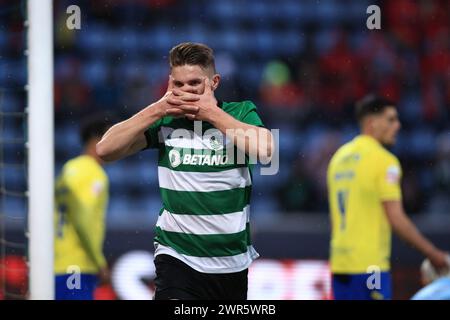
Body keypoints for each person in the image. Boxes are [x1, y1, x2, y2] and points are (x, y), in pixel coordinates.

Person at [96, 42, 273, 300]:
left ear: (214, 82)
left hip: (231, 263)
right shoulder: (166, 122)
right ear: (169, 84)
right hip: (177, 257)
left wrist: (211, 114)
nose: (186, 91)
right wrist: (158, 107)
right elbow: (105, 150)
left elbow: (266, 150)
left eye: (194, 83)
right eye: (178, 85)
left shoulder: (240, 113)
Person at [327, 95, 449, 300]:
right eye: (391, 119)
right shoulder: (384, 161)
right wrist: (434, 255)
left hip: (339, 265)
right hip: (371, 267)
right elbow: (397, 219)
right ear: (372, 123)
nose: (398, 126)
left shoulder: (338, 158)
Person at [54, 114, 113, 300]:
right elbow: (82, 219)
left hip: (54, 262)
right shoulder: (94, 174)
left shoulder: (68, 169)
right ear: (98, 141)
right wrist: (99, 262)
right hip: (77, 265)